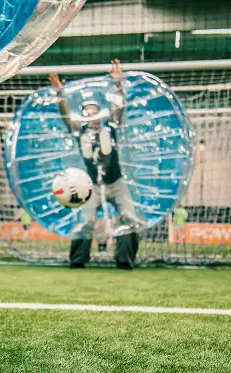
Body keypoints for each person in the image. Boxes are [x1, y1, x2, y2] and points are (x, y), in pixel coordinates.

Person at [49, 59, 140, 270]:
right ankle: (78, 260)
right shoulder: (79, 132)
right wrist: (59, 94)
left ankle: (125, 260)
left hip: (116, 182)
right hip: (91, 187)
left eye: (94, 111)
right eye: (87, 112)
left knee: (130, 219)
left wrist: (117, 83)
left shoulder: (110, 127)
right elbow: (65, 116)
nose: (91, 116)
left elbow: (119, 108)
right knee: (85, 222)